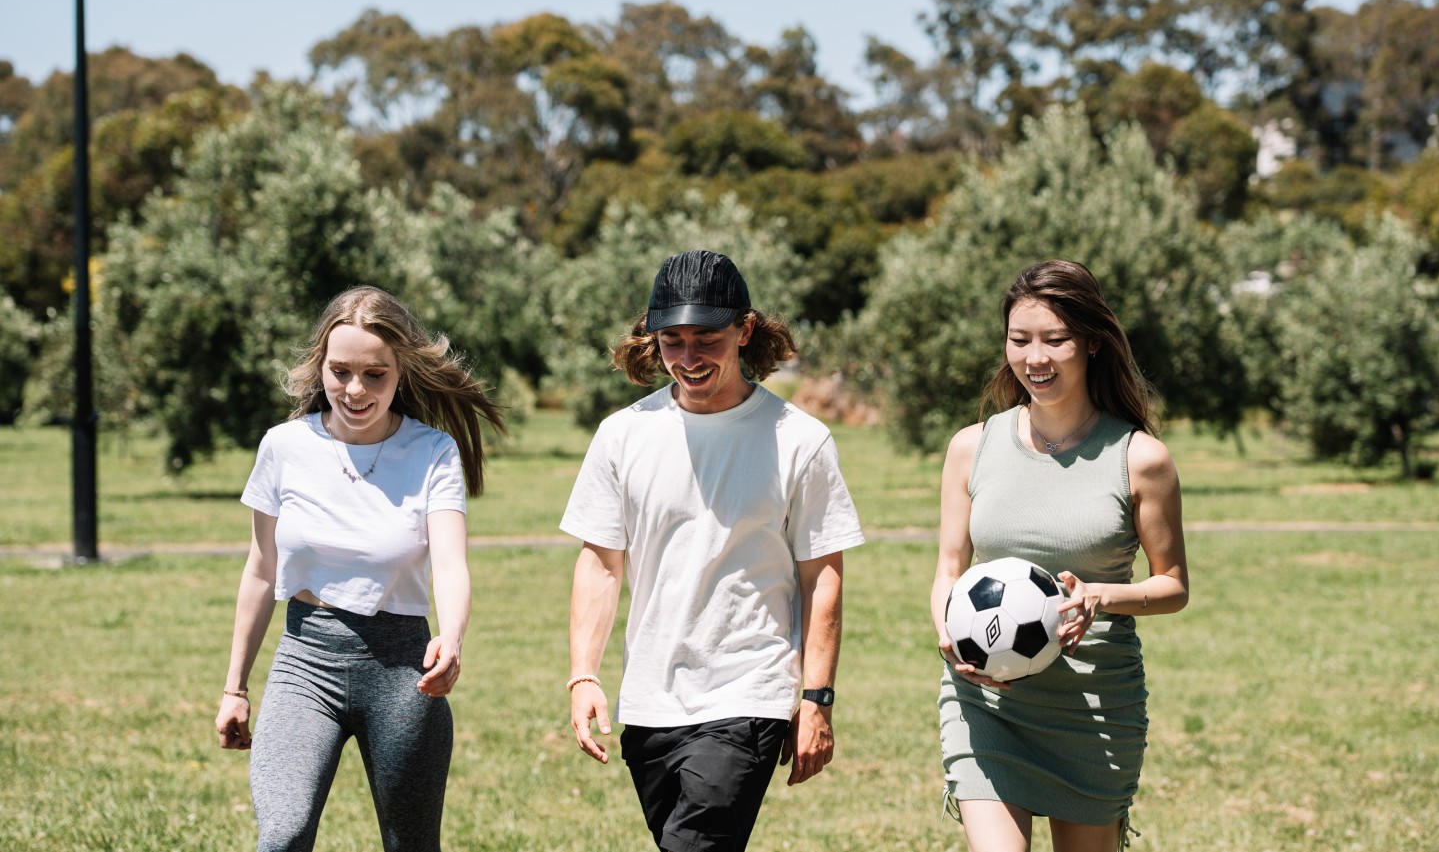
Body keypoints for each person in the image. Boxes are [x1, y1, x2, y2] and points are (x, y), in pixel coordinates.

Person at [564, 249, 866, 852]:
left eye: (707, 338)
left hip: (747, 692)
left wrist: (816, 700)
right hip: (650, 704)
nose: (689, 357)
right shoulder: (623, 434)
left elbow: (823, 577)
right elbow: (601, 564)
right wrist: (583, 676)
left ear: (744, 330)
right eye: (672, 340)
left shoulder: (800, 440)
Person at [214, 285, 505, 852]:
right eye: (340, 370)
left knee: (411, 844)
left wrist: (453, 637)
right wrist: (235, 688)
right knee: (283, 833)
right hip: (304, 662)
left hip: (403, 669)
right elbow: (260, 570)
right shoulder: (283, 447)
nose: (355, 389)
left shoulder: (432, 452)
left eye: (375, 374)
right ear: (320, 366)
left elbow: (449, 560)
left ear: (401, 375)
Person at [932, 260, 1189, 852]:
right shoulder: (972, 447)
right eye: (1019, 341)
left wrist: (1102, 596)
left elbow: (1172, 585)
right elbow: (949, 569)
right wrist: (947, 632)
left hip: (1094, 707)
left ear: (1092, 343)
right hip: (986, 699)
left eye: (1056, 340)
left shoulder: (1140, 458)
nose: (1035, 358)